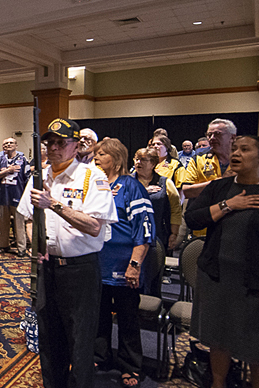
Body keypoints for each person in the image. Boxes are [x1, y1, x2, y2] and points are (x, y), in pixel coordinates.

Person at [184, 135, 259, 388]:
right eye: (234, 148)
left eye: (244, 149)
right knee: (219, 338)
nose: (236, 153)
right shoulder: (220, 188)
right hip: (217, 279)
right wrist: (229, 205)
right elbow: (193, 219)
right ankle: (219, 383)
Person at [18, 118, 117, 388]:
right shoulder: (39, 175)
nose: (54, 148)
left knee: (81, 339)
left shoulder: (92, 177)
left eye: (61, 143)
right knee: (50, 338)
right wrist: (34, 244)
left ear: (76, 146)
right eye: (50, 142)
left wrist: (55, 204)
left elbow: (95, 226)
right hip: (47, 268)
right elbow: (28, 218)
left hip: (79, 270)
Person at [92, 139, 155, 387]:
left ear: (117, 159)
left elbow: (145, 231)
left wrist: (135, 264)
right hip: (97, 264)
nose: (96, 158)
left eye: (102, 154)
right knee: (99, 314)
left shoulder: (131, 186)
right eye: (96, 154)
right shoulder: (96, 185)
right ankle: (100, 355)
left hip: (124, 265)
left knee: (128, 317)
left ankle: (130, 365)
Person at [133, 147, 182, 292]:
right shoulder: (127, 181)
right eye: (136, 159)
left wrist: (174, 234)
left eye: (143, 160)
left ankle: (151, 309)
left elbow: (175, 209)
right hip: (131, 235)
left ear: (154, 163)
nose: (138, 162)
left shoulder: (165, 182)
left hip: (157, 236)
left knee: (153, 276)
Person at [0, 137, 30, 257]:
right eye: (6, 143)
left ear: (16, 145)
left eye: (11, 143)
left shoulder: (23, 160)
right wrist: (8, 171)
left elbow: (27, 178)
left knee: (19, 224)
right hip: (3, 196)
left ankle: (21, 248)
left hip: (17, 195)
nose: (8, 145)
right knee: (3, 223)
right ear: (3, 147)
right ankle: (4, 245)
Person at [182, 118, 237, 199]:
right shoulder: (198, 159)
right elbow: (187, 191)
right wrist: (221, 181)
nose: (212, 138)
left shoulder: (245, 159)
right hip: (207, 208)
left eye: (217, 134)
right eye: (209, 135)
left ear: (232, 137)